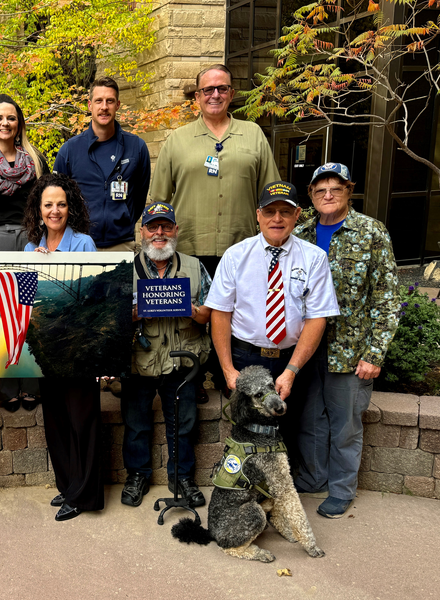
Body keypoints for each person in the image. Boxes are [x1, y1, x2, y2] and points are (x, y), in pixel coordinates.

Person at [204, 182, 340, 463]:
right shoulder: (235, 256)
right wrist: (228, 370)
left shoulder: (314, 258)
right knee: (244, 430)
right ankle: (243, 495)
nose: (276, 219)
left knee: (288, 429)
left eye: (285, 211)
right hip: (245, 358)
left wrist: (291, 371)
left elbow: (317, 318)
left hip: (291, 359)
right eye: (270, 211)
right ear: (258, 215)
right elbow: (220, 313)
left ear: (297, 215)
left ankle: (279, 497)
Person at [293, 163, 400, 518]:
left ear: (348, 191)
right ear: (310, 195)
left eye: (335, 189)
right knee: (309, 420)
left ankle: (341, 489)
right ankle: (312, 478)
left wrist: (375, 352)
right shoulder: (302, 232)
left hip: (350, 350)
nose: (327, 195)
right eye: (320, 189)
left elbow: (386, 297)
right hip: (307, 347)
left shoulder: (371, 232)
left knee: (345, 425)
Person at [120, 201, 213, 508]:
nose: (159, 233)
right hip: (138, 360)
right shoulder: (124, 269)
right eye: (152, 227)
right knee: (135, 424)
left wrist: (194, 310)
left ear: (176, 230)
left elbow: (212, 314)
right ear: (142, 231)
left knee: (184, 423)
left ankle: (182, 477)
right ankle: (137, 475)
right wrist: (131, 314)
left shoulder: (194, 266)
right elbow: (111, 320)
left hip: (181, 360)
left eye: (166, 226)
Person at [150, 64, 281, 276]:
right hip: (187, 251)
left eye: (222, 88)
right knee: (192, 310)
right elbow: (159, 201)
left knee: (238, 310)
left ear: (232, 94)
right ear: (197, 97)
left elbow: (271, 195)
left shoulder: (254, 134)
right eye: (208, 90)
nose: (215, 95)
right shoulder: (177, 140)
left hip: (242, 248)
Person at [22, 173, 102, 521]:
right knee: (55, 420)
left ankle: (85, 495)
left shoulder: (83, 244)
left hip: (77, 346)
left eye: (61, 205)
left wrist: (52, 272)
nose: (55, 211)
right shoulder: (29, 248)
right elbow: (26, 301)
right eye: (48, 205)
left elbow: (91, 296)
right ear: (39, 211)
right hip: (46, 347)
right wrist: (36, 268)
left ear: (70, 209)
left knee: (82, 421)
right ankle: (68, 486)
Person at [0, 93, 49, 411]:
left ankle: (31, 383)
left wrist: (45, 245)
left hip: (30, 241)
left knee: (30, 312)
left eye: (11, 118)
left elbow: (47, 208)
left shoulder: (36, 160)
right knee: (0, 315)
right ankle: (6, 387)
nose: (5, 123)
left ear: (20, 125)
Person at [52, 77, 151, 252]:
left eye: (110, 101)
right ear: (90, 105)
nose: (104, 107)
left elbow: (139, 197)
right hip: (79, 243)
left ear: (118, 105)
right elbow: (55, 198)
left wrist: (123, 219)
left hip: (122, 245)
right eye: (99, 101)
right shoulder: (69, 150)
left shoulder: (137, 147)